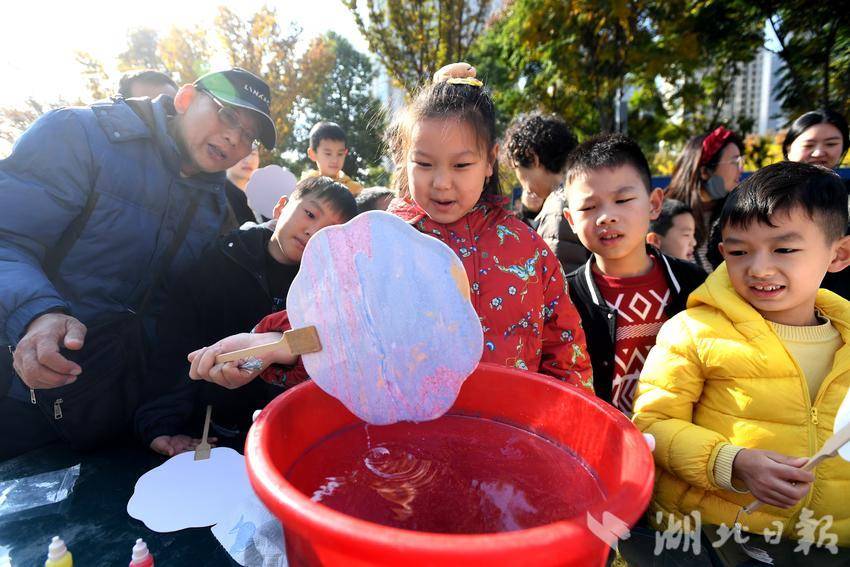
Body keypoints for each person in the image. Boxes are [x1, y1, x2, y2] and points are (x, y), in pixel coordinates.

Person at [186, 62, 593, 394]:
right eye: (424, 163)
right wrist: (271, 344)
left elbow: (566, 352)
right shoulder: (377, 243)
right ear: (404, 158)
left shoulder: (527, 249)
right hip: (399, 442)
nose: (442, 182)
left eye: (461, 165)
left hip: (507, 441)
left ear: (490, 160)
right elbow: (332, 329)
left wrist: (568, 432)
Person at [0, 67, 276, 458]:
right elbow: (7, 239)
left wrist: (158, 416)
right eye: (227, 115)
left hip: (116, 412)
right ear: (185, 98)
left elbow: (180, 318)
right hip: (19, 391)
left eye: (249, 135)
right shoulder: (76, 134)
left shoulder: (219, 208)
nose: (235, 138)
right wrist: (37, 315)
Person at [633, 161, 850, 562]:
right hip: (713, 541)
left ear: (838, 254)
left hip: (827, 543)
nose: (759, 268)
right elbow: (651, 425)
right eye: (739, 252)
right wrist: (732, 463)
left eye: (784, 249)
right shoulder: (694, 331)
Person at [135, 176, 356, 456]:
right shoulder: (221, 261)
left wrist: (277, 347)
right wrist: (160, 422)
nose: (312, 231)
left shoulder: (326, 292)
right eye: (310, 214)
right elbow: (177, 341)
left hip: (280, 436)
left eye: (327, 232)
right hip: (203, 428)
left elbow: (318, 347)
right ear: (281, 207)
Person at [563, 135, 705, 414]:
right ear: (571, 220)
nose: (607, 217)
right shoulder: (564, 298)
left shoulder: (694, 286)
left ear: (654, 204)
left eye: (623, 199)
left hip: (686, 435)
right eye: (589, 207)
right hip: (605, 438)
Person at [503, 112, 588, 272]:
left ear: (532, 157)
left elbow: (559, 277)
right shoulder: (580, 190)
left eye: (516, 168)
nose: (519, 180)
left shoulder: (557, 209)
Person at [666, 126, 744, 272]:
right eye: (734, 162)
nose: (741, 169)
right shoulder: (666, 216)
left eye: (741, 162)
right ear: (704, 172)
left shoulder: (735, 212)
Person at [301, 121, 364, 196]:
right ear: (312, 154)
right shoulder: (304, 187)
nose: (335, 160)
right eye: (328, 154)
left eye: (340, 154)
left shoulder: (355, 190)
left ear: (345, 153)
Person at [225, 143, 261, 224]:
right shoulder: (213, 196)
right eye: (240, 151)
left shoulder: (263, 195)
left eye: (253, 153)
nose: (248, 160)